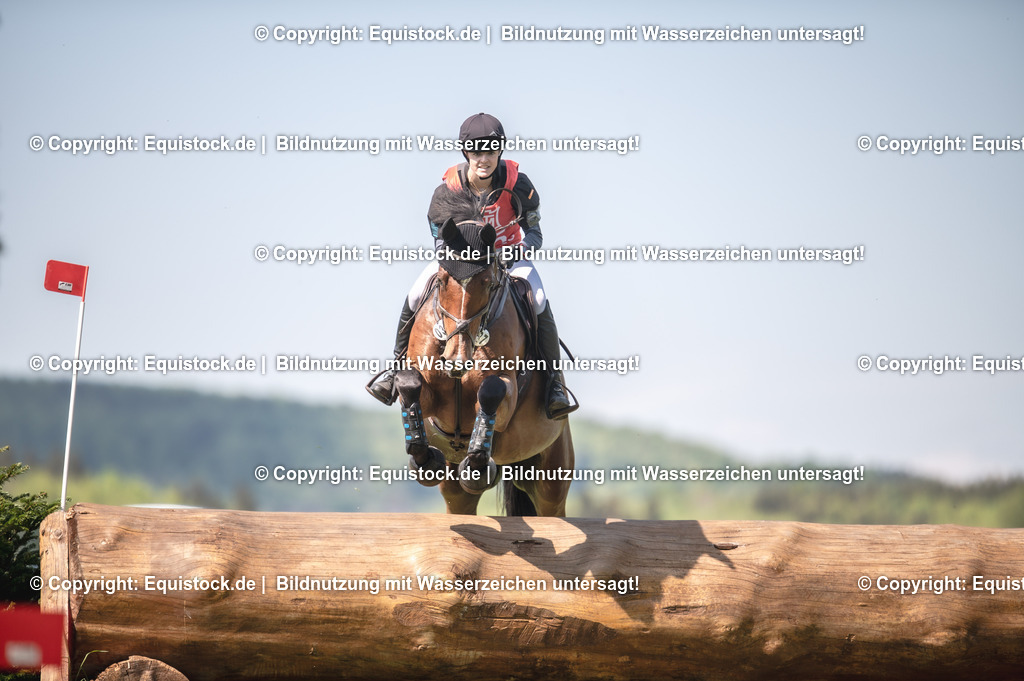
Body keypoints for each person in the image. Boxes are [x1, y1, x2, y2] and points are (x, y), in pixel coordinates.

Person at [367, 113, 576, 419]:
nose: (483, 159)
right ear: (466, 153)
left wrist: (518, 250)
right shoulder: (448, 190)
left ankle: (554, 383)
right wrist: (451, 259)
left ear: (499, 152)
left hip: (509, 258)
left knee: (539, 299)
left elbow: (535, 233)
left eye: (490, 151)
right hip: (461, 261)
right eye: (476, 151)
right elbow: (439, 239)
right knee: (415, 294)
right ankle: (396, 368)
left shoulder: (519, 184)